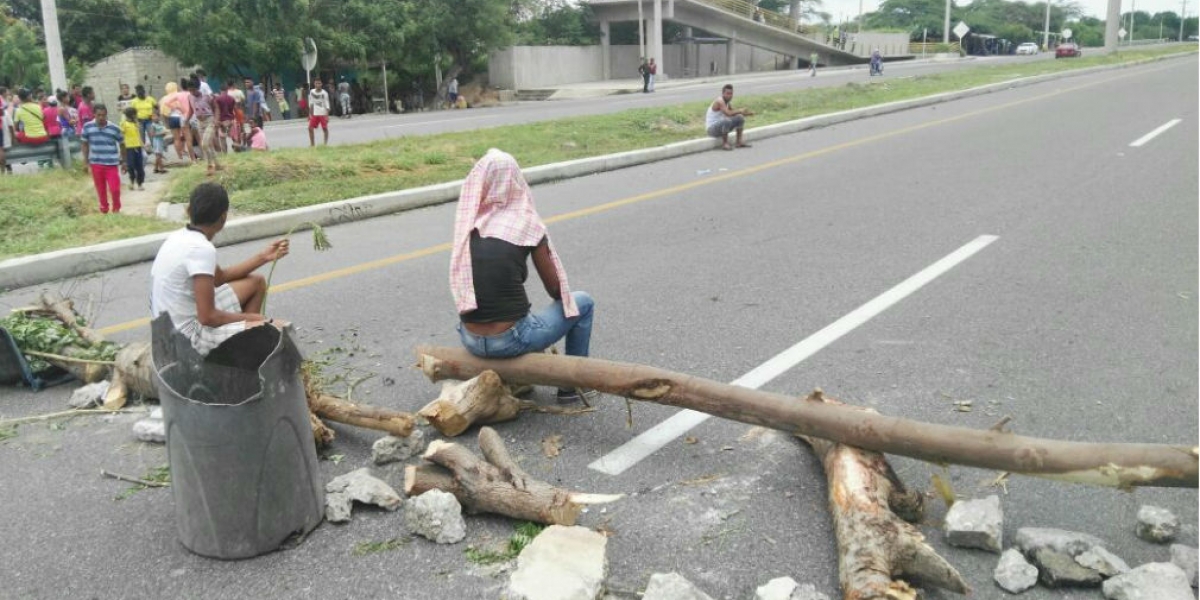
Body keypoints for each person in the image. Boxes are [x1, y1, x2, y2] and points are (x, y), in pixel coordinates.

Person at [450, 149, 597, 404]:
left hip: (470, 338)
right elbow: (556, 290)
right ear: (515, 181)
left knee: (520, 313)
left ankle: (517, 379)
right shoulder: (525, 224)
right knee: (583, 303)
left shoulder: (469, 224)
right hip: (509, 341)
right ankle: (572, 387)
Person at [149, 182, 289, 357]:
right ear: (223, 218)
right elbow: (208, 317)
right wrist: (259, 320)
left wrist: (264, 257)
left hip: (167, 330)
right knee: (279, 330)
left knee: (256, 283)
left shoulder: (180, 237)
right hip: (186, 340)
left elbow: (219, 278)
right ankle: (243, 353)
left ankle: (246, 348)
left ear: (189, 210)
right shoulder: (201, 249)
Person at [79, 103, 125, 214]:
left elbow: (123, 144)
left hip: (111, 164)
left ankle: (116, 209)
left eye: (103, 115)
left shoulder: (114, 128)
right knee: (101, 190)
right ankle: (104, 209)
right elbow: (84, 144)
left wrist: (124, 161)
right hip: (96, 163)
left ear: (106, 115)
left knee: (115, 189)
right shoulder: (87, 127)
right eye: (98, 115)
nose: (101, 118)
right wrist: (85, 162)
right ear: (94, 114)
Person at [705, 84, 753, 151]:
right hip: (712, 130)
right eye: (727, 93)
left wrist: (747, 114)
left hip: (721, 127)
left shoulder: (727, 103)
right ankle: (725, 144)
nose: (729, 96)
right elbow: (728, 113)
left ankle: (739, 142)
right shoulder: (719, 101)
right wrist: (740, 110)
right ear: (723, 93)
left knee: (740, 117)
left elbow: (733, 114)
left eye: (731, 94)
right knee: (727, 120)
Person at [189, 76, 221, 175]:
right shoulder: (190, 97)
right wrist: (186, 120)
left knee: (204, 144)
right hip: (199, 123)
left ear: (198, 88)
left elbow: (216, 107)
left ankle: (210, 166)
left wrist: (216, 120)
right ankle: (217, 164)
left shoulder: (207, 96)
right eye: (190, 90)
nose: (192, 92)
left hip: (209, 121)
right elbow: (191, 110)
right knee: (208, 145)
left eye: (193, 90)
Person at [120, 106, 145, 191]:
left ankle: (140, 183)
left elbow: (138, 134)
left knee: (139, 166)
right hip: (129, 147)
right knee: (130, 166)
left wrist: (142, 144)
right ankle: (131, 181)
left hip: (137, 146)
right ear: (132, 115)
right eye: (135, 114)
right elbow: (121, 135)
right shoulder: (124, 124)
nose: (136, 116)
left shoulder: (136, 123)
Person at [307, 78, 331, 146]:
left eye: (319, 83)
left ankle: (325, 144)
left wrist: (327, 116)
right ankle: (312, 144)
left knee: (324, 128)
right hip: (315, 113)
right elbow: (311, 103)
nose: (318, 85)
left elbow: (327, 105)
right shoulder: (312, 92)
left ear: (321, 84)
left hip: (322, 113)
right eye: (316, 83)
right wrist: (310, 114)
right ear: (314, 84)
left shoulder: (324, 93)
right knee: (310, 128)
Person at [214, 83, 236, 153]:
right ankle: (238, 151)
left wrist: (217, 121)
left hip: (221, 121)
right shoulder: (232, 98)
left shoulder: (217, 99)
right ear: (227, 90)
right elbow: (232, 109)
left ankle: (225, 154)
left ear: (220, 90)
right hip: (230, 120)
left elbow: (217, 111)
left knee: (222, 139)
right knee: (234, 137)